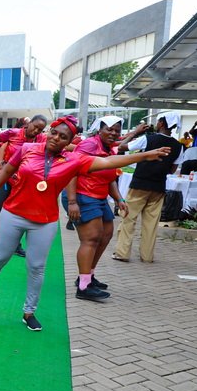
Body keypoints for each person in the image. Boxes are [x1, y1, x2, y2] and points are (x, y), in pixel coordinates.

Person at [0, 115, 171, 331]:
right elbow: (6, 171)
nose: (56, 138)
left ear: (69, 141)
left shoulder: (74, 160)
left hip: (44, 221)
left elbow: (108, 162)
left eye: (63, 137)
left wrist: (144, 156)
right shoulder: (26, 148)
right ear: (49, 132)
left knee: (36, 267)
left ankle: (29, 311)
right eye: (54, 133)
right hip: (12, 214)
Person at [62, 116, 127, 302]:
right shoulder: (89, 145)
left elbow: (110, 178)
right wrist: (72, 201)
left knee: (106, 234)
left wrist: (119, 199)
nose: (113, 133)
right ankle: (83, 287)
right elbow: (71, 170)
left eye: (117, 130)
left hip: (98, 196)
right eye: (109, 129)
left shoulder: (111, 148)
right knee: (91, 239)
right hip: (82, 196)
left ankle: (87, 275)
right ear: (99, 129)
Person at [112, 113, 184, 263]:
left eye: (158, 121)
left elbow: (121, 147)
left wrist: (135, 133)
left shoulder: (148, 138)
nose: (156, 123)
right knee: (151, 224)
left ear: (162, 124)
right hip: (159, 187)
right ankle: (147, 256)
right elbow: (172, 170)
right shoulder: (178, 146)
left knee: (128, 219)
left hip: (139, 184)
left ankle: (122, 253)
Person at [0, 115, 48, 254]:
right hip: (6, 178)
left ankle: (16, 245)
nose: (36, 131)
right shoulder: (13, 133)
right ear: (28, 124)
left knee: (20, 213)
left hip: (24, 182)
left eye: (40, 130)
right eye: (35, 127)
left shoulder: (40, 139)